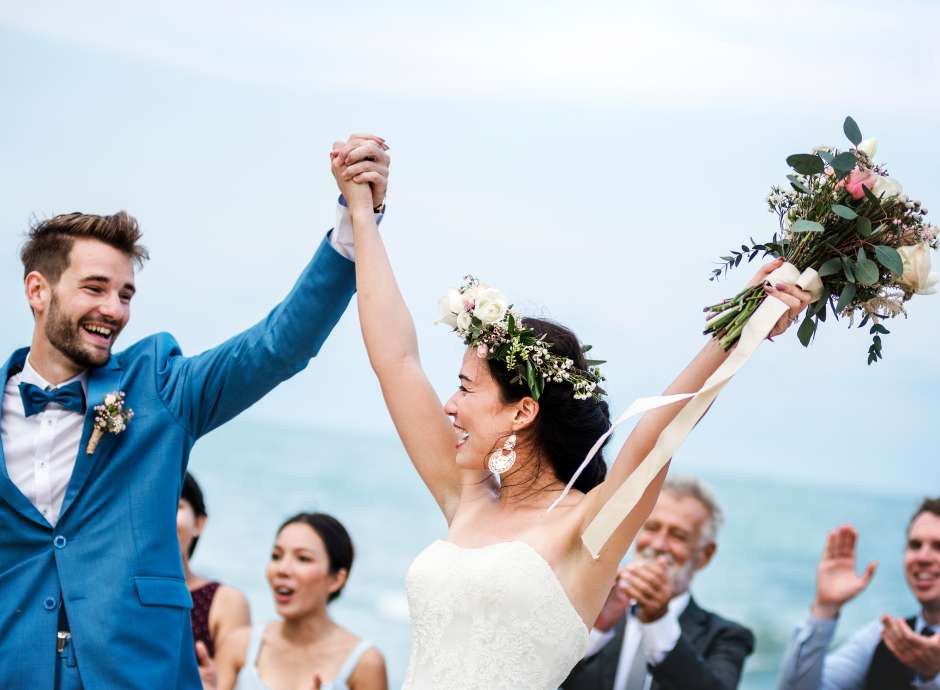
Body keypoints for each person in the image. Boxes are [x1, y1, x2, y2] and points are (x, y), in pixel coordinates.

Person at [329, 140, 813, 690]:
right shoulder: (465, 492)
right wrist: (363, 215)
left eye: (465, 388)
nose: (449, 406)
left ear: (522, 412)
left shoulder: (587, 527)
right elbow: (396, 361)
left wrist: (742, 322)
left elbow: (659, 432)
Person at [0, 134, 390, 690]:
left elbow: (277, 346)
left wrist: (356, 221)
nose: (114, 310)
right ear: (38, 290)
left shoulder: (159, 387)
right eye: (95, 288)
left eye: (126, 294)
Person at [562, 475, 754, 690]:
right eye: (652, 528)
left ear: (705, 555)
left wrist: (658, 621)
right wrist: (597, 628)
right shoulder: (592, 615)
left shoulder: (727, 637)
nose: (659, 544)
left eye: (678, 536)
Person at [200, 512, 387, 690]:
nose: (282, 569)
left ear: (337, 579)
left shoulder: (365, 663)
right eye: (276, 556)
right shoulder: (240, 645)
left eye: (303, 558)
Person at [777, 498, 940, 690]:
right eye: (915, 545)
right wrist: (824, 608)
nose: (922, 557)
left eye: (938, 546)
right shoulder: (882, 638)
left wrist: (932, 677)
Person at [178, 471, 251, 657]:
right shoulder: (115, 594)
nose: (163, 518)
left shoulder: (225, 602)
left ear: (199, 523)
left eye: (176, 506)